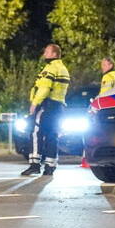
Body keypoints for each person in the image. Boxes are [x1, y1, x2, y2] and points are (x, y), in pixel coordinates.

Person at [22, 43, 70, 176]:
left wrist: (34, 104)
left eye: (47, 52)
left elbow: (44, 88)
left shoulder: (50, 68)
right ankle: (50, 166)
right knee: (52, 136)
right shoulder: (63, 69)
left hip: (46, 106)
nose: (44, 54)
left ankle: (34, 164)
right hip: (59, 106)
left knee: (36, 133)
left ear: (54, 54)